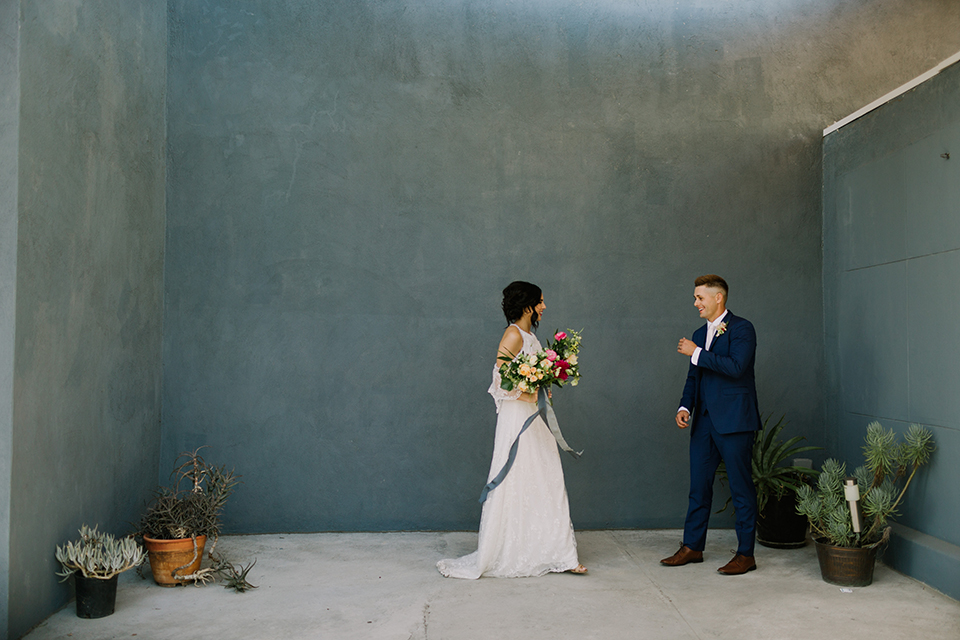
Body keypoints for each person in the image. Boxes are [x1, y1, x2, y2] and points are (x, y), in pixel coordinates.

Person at [437, 281, 586, 578]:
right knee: (518, 478)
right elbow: (499, 380)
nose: (544, 306)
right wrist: (530, 393)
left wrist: (544, 383)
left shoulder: (531, 336)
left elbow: (528, 374)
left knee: (547, 477)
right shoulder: (513, 335)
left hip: (530, 414)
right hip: (517, 418)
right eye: (540, 302)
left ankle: (560, 553)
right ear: (527, 305)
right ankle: (523, 550)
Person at [661, 274, 761, 575]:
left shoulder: (743, 329)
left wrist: (697, 353)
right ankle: (693, 547)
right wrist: (684, 406)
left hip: (734, 423)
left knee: (741, 489)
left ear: (719, 297)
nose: (695, 303)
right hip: (703, 423)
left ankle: (746, 555)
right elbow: (694, 377)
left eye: (700, 298)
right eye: (695, 298)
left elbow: (736, 367)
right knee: (698, 488)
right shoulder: (698, 333)